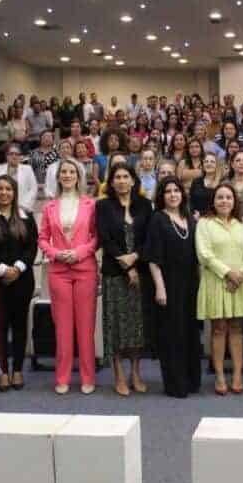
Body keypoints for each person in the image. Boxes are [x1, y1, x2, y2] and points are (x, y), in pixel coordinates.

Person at [39, 158, 99, 395]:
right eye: (63, 172)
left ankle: (88, 377)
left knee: (85, 328)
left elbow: (97, 237)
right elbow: (42, 238)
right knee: (63, 329)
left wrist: (79, 252)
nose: (67, 175)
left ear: (78, 176)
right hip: (59, 271)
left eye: (71, 172)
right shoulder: (49, 207)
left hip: (85, 269)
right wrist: (55, 253)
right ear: (58, 177)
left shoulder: (90, 204)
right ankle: (62, 377)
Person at [0, 175, 38, 392]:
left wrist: (17, 268)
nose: (4, 193)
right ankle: (2, 372)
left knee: (20, 324)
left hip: (23, 278)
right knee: (0, 324)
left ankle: (18, 370)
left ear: (15, 192)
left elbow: (32, 247)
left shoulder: (27, 217)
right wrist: (2, 269)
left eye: (8, 189)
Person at [97, 163, 154, 396]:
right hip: (115, 273)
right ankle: (119, 375)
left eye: (125, 176)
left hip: (140, 272)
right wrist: (126, 264)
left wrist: (135, 258)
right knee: (116, 327)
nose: (121, 181)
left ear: (133, 180)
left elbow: (149, 237)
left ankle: (136, 373)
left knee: (137, 326)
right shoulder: (103, 206)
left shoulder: (145, 205)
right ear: (111, 182)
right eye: (117, 177)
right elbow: (104, 238)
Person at [196, 182, 243, 395]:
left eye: (228, 197)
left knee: (237, 329)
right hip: (216, 280)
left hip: (240, 282)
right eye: (220, 197)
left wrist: (242, 273)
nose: (224, 201)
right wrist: (228, 273)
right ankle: (220, 376)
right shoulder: (204, 223)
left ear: (235, 201)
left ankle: (237, 375)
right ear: (213, 201)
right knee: (219, 328)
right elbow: (204, 254)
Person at [145, 177, 201, 398]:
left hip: (190, 283)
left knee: (189, 332)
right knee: (172, 334)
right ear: (162, 196)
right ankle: (176, 384)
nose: (173, 195)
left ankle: (191, 380)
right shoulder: (158, 219)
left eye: (176, 190)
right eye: (168, 191)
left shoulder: (189, 218)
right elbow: (153, 259)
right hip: (168, 284)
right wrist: (160, 288)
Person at [0, 144, 38, 213]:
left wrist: (22, 206)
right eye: (11, 154)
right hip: (1, 208)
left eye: (17, 154)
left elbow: (33, 188)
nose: (14, 156)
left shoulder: (27, 169)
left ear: (20, 157)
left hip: (22, 208)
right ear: (6, 156)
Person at [190, 152, 223, 218]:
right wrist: (193, 213)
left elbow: (220, 204)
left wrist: (201, 214)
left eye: (212, 162)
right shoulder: (196, 181)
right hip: (195, 218)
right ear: (203, 165)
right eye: (206, 161)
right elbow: (191, 201)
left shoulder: (221, 183)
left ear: (217, 165)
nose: (209, 164)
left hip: (214, 218)